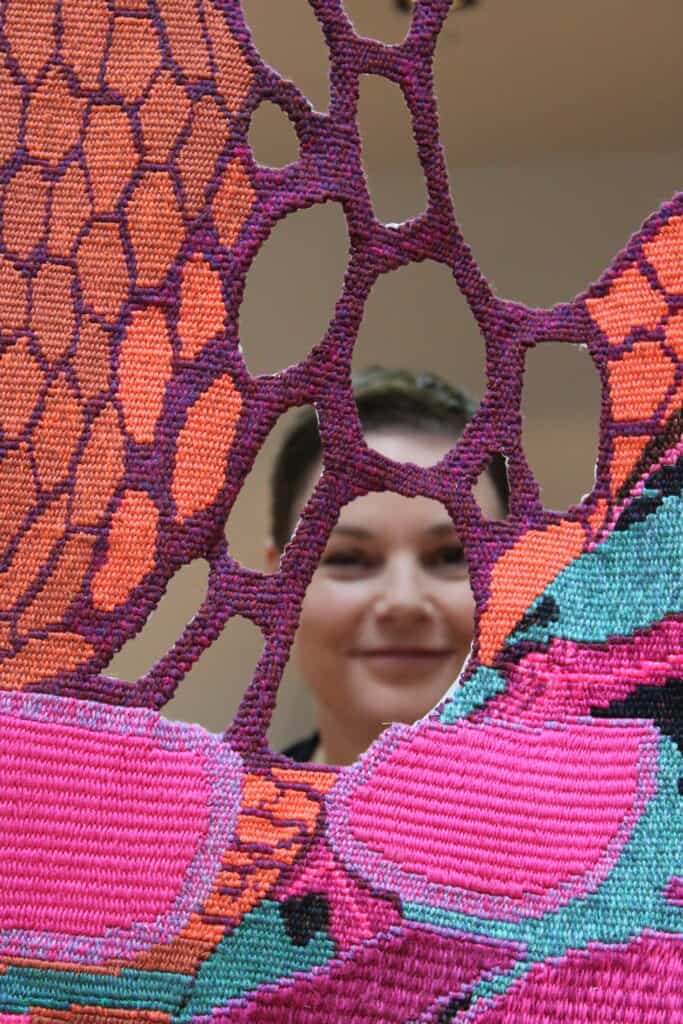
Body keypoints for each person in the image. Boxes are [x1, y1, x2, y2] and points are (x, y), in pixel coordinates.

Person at [265, 367, 509, 765]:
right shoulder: (211, 825)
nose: (403, 602)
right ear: (276, 588)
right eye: (348, 559)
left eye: (452, 556)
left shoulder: (613, 822)